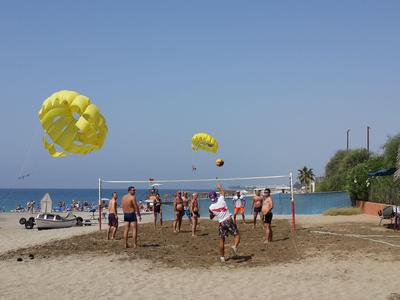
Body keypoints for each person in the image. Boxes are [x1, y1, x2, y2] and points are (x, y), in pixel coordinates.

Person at [209, 183, 240, 263]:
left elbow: (211, 217)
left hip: (221, 223)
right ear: (216, 196)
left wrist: (215, 213)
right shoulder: (221, 199)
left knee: (222, 240)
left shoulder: (211, 207)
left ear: (210, 198)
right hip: (228, 220)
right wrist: (220, 187)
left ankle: (222, 257)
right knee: (237, 235)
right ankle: (235, 246)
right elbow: (223, 192)